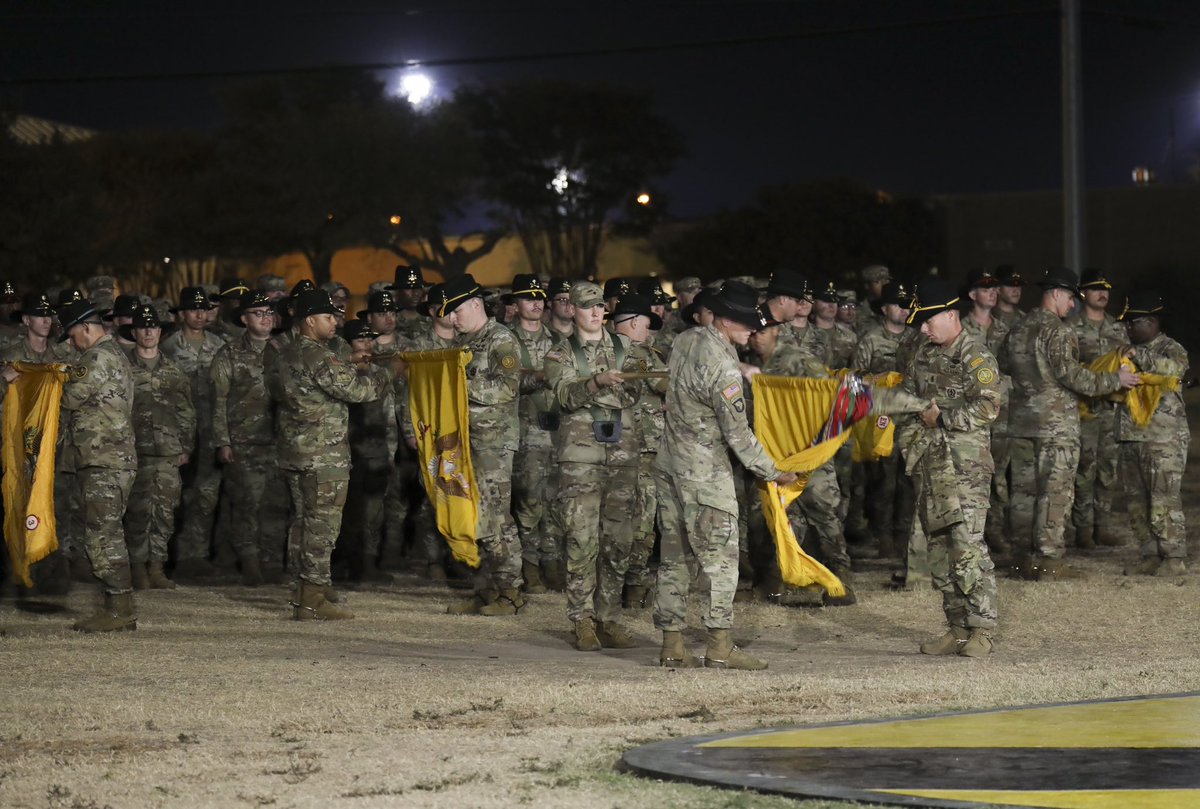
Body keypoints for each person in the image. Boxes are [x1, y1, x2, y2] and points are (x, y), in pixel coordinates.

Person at [653, 280, 797, 670]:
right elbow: (736, 432)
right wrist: (773, 471)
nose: (755, 329)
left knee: (674, 556)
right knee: (721, 560)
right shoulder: (723, 367)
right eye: (747, 321)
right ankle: (719, 644)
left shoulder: (687, 340)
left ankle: (671, 643)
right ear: (724, 320)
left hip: (669, 464)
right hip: (704, 473)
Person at [3, 298, 138, 632]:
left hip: (103, 458)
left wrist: (31, 378)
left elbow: (69, 397)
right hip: (110, 457)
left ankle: (120, 608)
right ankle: (117, 606)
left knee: (103, 535)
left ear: (86, 327)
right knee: (106, 531)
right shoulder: (115, 355)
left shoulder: (96, 357)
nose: (72, 343)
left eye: (73, 335)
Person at [999, 267, 1138, 581]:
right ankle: (1048, 560)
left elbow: (1003, 361)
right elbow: (1071, 376)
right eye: (1071, 297)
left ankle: (1021, 558)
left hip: (1022, 421)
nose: (1073, 305)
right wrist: (1115, 379)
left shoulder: (1020, 326)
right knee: (1055, 492)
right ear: (1057, 294)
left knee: (1023, 492)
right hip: (1055, 425)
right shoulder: (1058, 330)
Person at [272, 289, 398, 619]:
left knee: (301, 524)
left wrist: (347, 362)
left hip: (295, 451)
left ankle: (303, 591)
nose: (335, 322)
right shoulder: (320, 355)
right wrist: (389, 373)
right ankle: (313, 599)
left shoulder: (285, 353)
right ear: (309, 321)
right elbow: (358, 390)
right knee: (322, 526)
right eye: (328, 317)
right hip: (323, 455)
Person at [897, 279, 1000, 657]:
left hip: (965, 469)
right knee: (938, 549)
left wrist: (942, 419)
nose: (922, 328)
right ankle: (956, 627)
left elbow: (988, 407)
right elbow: (911, 399)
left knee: (967, 546)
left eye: (928, 321)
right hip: (930, 464)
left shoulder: (975, 355)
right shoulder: (923, 353)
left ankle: (982, 628)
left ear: (951, 314)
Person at [544, 282, 644, 649]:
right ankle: (582, 619)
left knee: (618, 540)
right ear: (573, 311)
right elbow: (565, 396)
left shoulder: (626, 348)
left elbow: (636, 388)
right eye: (588, 307)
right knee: (581, 538)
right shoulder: (559, 354)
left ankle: (609, 617)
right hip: (580, 457)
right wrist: (597, 382)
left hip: (622, 453)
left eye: (600, 306)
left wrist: (604, 389)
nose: (596, 313)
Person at [437, 275, 526, 615]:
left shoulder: (501, 339)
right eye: (448, 314)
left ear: (476, 304)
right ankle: (484, 589)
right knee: (471, 514)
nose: (452, 319)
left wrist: (459, 389)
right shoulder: (463, 341)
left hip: (493, 443)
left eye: (456, 311)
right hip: (465, 441)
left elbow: (507, 387)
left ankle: (509, 591)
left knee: (495, 517)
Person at [0, 293, 79, 592]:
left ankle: (50, 576)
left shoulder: (62, 357)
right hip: (14, 445)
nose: (47, 320)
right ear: (25, 320)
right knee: (15, 504)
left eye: (50, 315)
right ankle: (14, 573)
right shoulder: (7, 353)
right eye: (40, 315)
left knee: (56, 507)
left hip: (54, 448)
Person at [210, 291, 290, 585]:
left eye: (269, 313)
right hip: (243, 442)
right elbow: (218, 400)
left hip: (279, 441)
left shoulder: (283, 351)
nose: (266, 319)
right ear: (244, 319)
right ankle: (250, 562)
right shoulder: (229, 354)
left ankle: (272, 561)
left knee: (277, 504)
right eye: (258, 313)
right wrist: (223, 441)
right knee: (246, 504)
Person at [121, 305, 195, 591]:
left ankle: (157, 567)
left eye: (154, 328)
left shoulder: (174, 370)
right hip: (134, 450)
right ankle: (137, 567)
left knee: (164, 511)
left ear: (161, 333)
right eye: (143, 327)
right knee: (137, 510)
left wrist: (185, 445)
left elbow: (186, 410)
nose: (149, 332)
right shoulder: (123, 369)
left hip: (167, 452)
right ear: (135, 332)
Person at [1117, 291, 1189, 576]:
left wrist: (1140, 355)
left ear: (1151, 322)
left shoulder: (1171, 348)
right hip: (1131, 435)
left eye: (1133, 323)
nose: (1128, 328)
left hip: (1163, 438)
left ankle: (1173, 557)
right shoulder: (1124, 351)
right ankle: (1149, 552)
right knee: (1136, 501)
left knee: (1164, 498)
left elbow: (1175, 370)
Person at [161, 286, 228, 580]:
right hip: (179, 432)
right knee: (177, 495)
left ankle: (197, 555)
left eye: (204, 309)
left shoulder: (220, 345)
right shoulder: (169, 347)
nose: (200, 315)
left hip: (211, 430)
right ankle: (171, 556)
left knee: (207, 495)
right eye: (193, 310)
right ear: (182, 314)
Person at [610, 294, 669, 610]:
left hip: (613, 449)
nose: (650, 332)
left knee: (622, 522)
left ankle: (623, 586)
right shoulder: (640, 354)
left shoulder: (601, 351)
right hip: (639, 450)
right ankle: (632, 586)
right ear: (633, 322)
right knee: (641, 523)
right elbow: (667, 386)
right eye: (647, 325)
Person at [506, 274, 562, 593]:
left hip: (555, 430)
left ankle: (551, 561)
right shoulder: (507, 340)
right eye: (528, 297)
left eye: (539, 296)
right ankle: (529, 566)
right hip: (524, 431)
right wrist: (541, 377)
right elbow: (509, 381)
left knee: (553, 500)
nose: (536, 302)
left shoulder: (556, 340)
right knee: (528, 501)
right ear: (516, 304)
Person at [1067, 269, 1128, 549]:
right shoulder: (1072, 328)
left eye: (1106, 289)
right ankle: (1082, 529)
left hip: (1112, 410)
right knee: (1084, 469)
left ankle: (1101, 525)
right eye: (1095, 289)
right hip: (1085, 410)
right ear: (1083, 294)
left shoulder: (1118, 328)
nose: (1103, 294)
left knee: (1108, 469)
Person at [342, 317, 397, 582]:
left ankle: (368, 563)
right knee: (349, 512)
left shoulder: (378, 373)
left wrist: (392, 451)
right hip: (349, 452)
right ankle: (345, 563)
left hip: (376, 452)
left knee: (374, 513)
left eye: (369, 339)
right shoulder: (341, 372)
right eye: (360, 339)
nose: (367, 344)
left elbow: (389, 416)